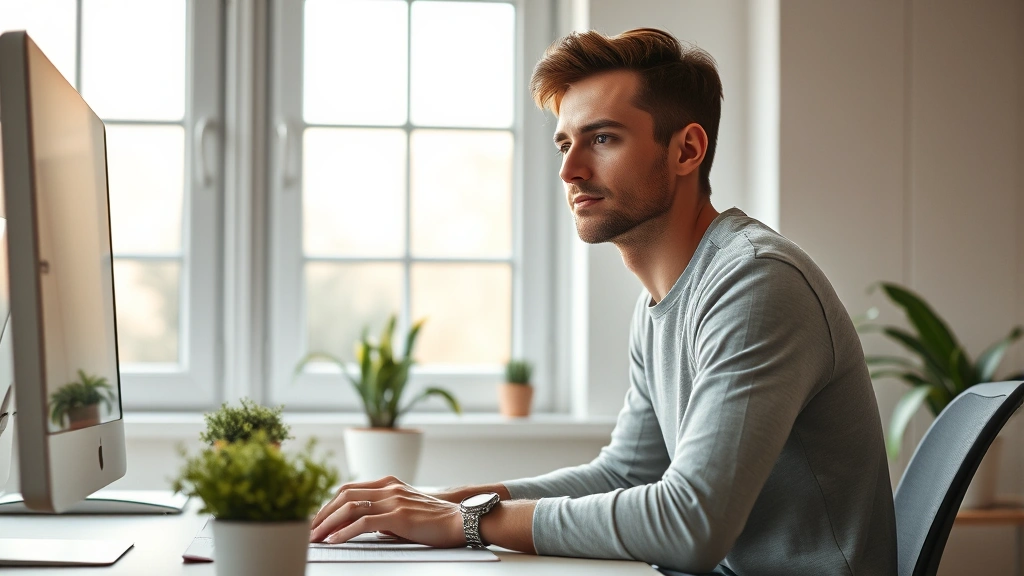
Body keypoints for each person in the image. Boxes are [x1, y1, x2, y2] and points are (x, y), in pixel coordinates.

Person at [309, 28, 897, 575]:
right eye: (565, 142)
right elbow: (626, 473)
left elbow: (692, 523)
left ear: (687, 150)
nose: (570, 169)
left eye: (603, 138)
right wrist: (452, 500)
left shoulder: (755, 283)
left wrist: (468, 523)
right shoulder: (660, 301)